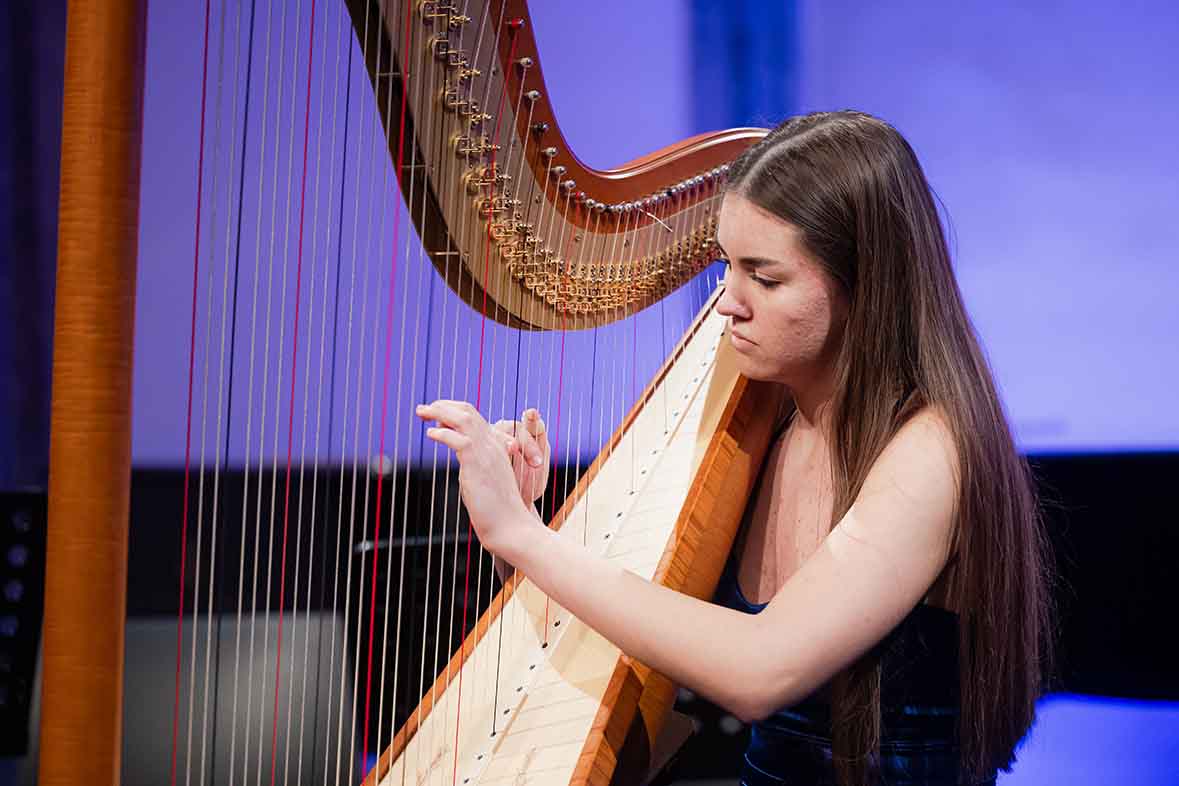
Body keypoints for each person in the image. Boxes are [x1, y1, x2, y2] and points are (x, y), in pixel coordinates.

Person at [415, 111, 1053, 786]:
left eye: (764, 278)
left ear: (865, 284)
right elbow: (627, 644)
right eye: (726, 265)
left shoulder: (929, 453)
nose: (727, 302)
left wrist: (522, 538)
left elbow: (758, 670)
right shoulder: (763, 423)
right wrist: (523, 530)